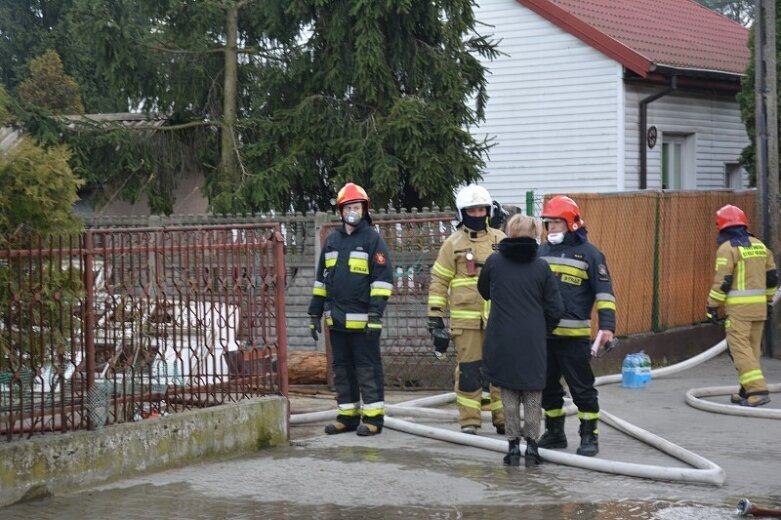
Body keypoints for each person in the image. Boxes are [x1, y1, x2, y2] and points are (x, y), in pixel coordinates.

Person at [308, 182, 394, 436]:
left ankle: (373, 419)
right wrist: (315, 313)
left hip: (365, 324)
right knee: (342, 370)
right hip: (336, 322)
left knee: (367, 370)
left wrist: (376, 314)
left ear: (364, 210)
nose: (352, 212)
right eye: (347, 208)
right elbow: (321, 280)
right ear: (341, 212)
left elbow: (382, 280)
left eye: (356, 207)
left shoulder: (372, 240)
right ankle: (347, 415)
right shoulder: (333, 240)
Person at [478, 214, 563, 466]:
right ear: (535, 233)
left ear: (509, 233)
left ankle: (513, 447)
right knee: (533, 397)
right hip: (532, 341)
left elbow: (483, 290)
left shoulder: (494, 262)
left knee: (509, 395)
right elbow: (555, 307)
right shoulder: (541, 267)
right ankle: (533, 447)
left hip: (501, 338)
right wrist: (543, 328)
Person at [537, 195, 616, 457]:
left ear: (571, 223)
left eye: (556, 223)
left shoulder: (591, 255)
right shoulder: (541, 252)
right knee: (548, 388)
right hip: (544, 336)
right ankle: (555, 432)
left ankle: (589, 435)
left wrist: (607, 327)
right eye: (548, 224)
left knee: (582, 389)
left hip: (574, 338)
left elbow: (605, 294)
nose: (551, 229)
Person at [427, 184, 506, 435]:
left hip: (499, 320)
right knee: (470, 371)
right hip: (466, 322)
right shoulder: (452, 244)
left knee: (502, 371)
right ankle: (470, 421)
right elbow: (439, 281)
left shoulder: (500, 241)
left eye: (481, 209)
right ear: (462, 213)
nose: (477, 214)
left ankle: (504, 417)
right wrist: (435, 317)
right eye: (472, 210)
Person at [706, 204, 776, 407]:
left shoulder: (727, 249)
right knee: (752, 350)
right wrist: (768, 301)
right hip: (759, 310)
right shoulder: (760, 246)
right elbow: (772, 278)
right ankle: (746, 391)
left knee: (740, 350)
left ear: (721, 226)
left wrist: (712, 306)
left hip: (739, 311)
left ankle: (757, 390)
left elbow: (723, 282)